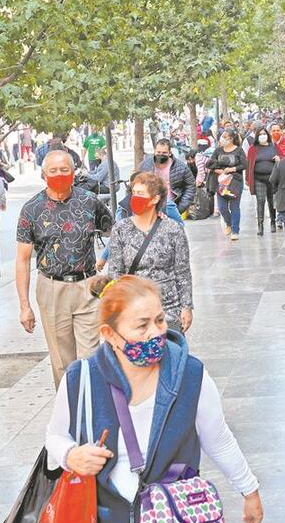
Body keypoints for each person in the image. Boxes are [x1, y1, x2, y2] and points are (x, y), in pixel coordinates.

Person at [44, 275, 263, 523]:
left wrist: (249, 489)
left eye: (159, 320)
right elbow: (55, 437)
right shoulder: (81, 379)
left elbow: (217, 438)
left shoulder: (190, 376)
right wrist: (71, 454)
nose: (155, 333)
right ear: (109, 335)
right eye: (141, 325)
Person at [16, 150, 114, 387]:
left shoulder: (89, 201)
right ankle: (70, 412)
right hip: (52, 288)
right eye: (53, 171)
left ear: (73, 172)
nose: (59, 174)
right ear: (43, 174)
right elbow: (22, 259)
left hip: (87, 287)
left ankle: (93, 409)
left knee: (91, 357)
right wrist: (24, 306)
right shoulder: (32, 209)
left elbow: (116, 231)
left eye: (64, 170)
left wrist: (152, 215)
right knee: (63, 362)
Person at [107, 172, 193, 333]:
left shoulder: (172, 229)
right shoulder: (121, 229)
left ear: (155, 198)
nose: (135, 198)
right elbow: (114, 271)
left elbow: (182, 272)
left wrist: (186, 306)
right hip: (133, 310)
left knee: (169, 356)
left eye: (140, 194)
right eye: (133, 193)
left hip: (168, 310)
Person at [137, 139, 195, 220]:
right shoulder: (145, 165)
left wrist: (180, 207)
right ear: (154, 151)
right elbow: (136, 184)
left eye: (164, 153)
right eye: (158, 152)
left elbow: (190, 186)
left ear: (170, 152)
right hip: (150, 207)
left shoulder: (181, 167)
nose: (161, 155)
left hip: (171, 207)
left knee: (177, 230)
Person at [208, 129, 245, 241]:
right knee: (222, 207)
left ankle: (235, 230)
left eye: (225, 136)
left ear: (231, 139)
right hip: (221, 182)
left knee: (235, 206)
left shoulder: (239, 150)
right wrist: (219, 170)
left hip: (235, 181)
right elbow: (211, 163)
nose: (222, 138)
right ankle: (228, 222)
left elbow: (244, 164)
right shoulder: (218, 150)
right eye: (222, 136)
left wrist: (232, 169)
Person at [245, 127, 279, 236]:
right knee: (260, 201)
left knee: (271, 201)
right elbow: (248, 164)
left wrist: (279, 159)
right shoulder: (253, 149)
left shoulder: (273, 146)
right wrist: (247, 178)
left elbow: (282, 157)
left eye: (264, 134)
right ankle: (260, 225)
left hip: (272, 178)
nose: (262, 136)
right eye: (260, 134)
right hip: (258, 178)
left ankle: (273, 221)